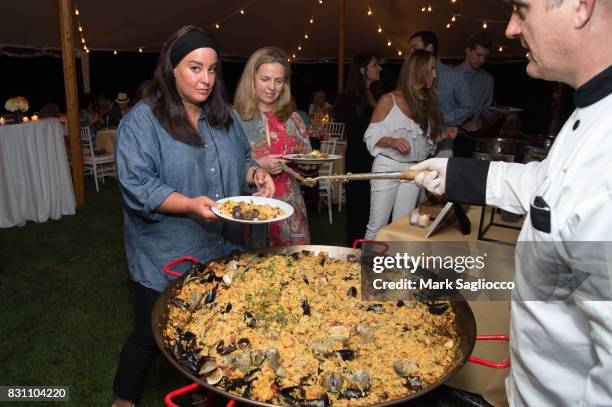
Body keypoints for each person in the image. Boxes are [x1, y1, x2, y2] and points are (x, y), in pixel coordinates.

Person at [411, 1, 612, 405]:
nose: (511, 28)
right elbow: (544, 184)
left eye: (522, 9)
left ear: (579, 7)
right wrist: (453, 175)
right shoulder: (591, 113)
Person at [111, 26, 274, 407]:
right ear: (171, 69)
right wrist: (187, 204)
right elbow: (137, 186)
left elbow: (243, 161)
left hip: (222, 247)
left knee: (215, 325)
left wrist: (256, 174)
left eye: (213, 70)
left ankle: (207, 391)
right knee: (151, 333)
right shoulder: (143, 120)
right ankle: (123, 398)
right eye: (195, 68)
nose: (206, 79)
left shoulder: (225, 118)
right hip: (166, 252)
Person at [363, 50, 457, 240]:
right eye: (431, 69)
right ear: (418, 70)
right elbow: (370, 136)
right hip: (387, 168)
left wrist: (442, 136)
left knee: (401, 226)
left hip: (414, 171)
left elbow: (425, 145)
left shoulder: (426, 104)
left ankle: (393, 268)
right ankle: (367, 268)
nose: (435, 74)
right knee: (377, 226)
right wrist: (393, 141)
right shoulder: (388, 100)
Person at [234, 46, 312, 247]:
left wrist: (308, 163)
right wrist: (259, 164)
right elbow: (223, 169)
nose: (272, 87)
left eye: (279, 81)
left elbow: (308, 165)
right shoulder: (233, 119)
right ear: (251, 79)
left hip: (291, 211)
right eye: (265, 79)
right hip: (252, 208)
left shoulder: (294, 119)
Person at [409, 31, 473, 158]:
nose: (410, 52)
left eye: (414, 47)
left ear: (429, 49)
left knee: (438, 176)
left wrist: (442, 118)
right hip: (414, 141)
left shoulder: (453, 75)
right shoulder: (411, 74)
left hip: (443, 142)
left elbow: (468, 107)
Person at [343, 52, 381, 246]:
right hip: (358, 159)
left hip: (372, 158)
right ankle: (355, 249)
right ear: (362, 70)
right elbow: (357, 133)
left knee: (371, 209)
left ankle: (369, 248)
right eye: (375, 65)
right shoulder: (350, 97)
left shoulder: (374, 94)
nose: (379, 68)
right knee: (358, 208)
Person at [454, 33, 496, 157]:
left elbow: (487, 112)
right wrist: (461, 123)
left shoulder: (488, 80)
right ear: (468, 51)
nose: (482, 60)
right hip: (448, 137)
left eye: (485, 56)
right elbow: (440, 109)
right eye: (478, 55)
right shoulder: (451, 75)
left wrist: (501, 115)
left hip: (472, 139)